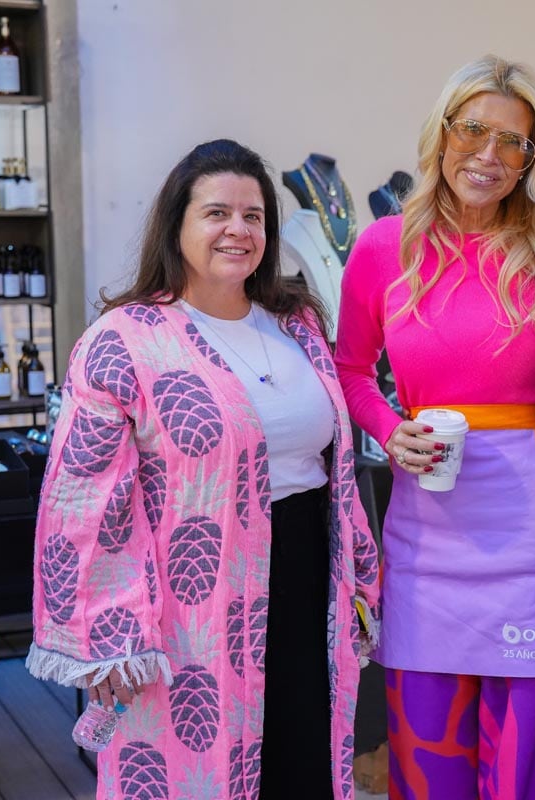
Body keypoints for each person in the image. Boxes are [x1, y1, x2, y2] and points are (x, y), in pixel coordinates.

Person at [27, 139, 380, 800]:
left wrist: (358, 576)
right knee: (195, 771)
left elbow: (333, 470)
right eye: (217, 212)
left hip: (306, 584)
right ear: (178, 225)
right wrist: (112, 630)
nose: (238, 230)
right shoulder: (127, 338)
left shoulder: (298, 325)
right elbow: (85, 495)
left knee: (301, 762)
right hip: (189, 610)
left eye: (253, 216)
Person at [334, 55, 535, 799]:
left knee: (529, 760)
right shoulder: (383, 246)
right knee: (428, 749)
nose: (488, 154)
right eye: (473, 129)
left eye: (513, 141)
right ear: (441, 135)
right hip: (427, 532)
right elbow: (349, 369)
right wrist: (388, 427)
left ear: (531, 160)